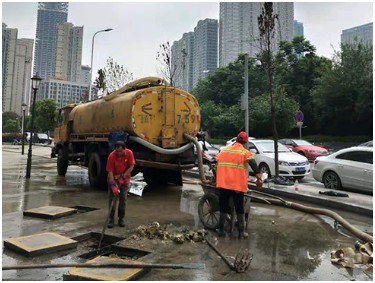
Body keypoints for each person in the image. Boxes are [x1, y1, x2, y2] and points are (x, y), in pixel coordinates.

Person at [215, 131, 262, 239]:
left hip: (224, 184)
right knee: (239, 208)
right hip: (237, 186)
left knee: (223, 207)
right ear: (245, 142)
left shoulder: (223, 151)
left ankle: (221, 230)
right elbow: (254, 166)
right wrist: (259, 179)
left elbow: (216, 161)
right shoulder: (245, 153)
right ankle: (241, 232)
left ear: (236, 139)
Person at [106, 140, 135, 228]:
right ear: (115, 149)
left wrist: (123, 177)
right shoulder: (111, 156)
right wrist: (113, 185)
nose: (118, 153)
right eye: (117, 151)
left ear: (124, 149)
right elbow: (110, 171)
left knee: (123, 198)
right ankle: (111, 219)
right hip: (113, 178)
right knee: (112, 200)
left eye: (120, 151)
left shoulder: (129, 153)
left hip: (125, 178)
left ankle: (121, 218)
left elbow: (131, 166)